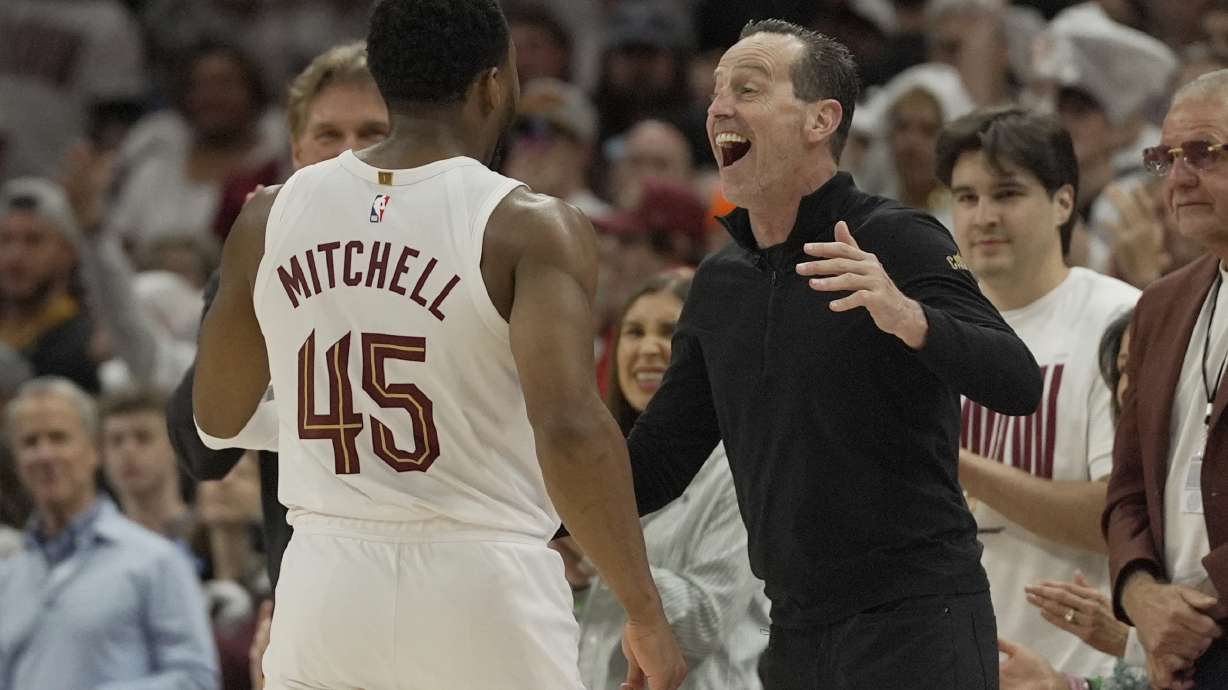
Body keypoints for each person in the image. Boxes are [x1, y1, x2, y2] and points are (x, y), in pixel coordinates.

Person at [191, 2, 686, 689]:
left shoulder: (267, 215)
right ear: (492, 85)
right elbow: (571, 429)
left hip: (324, 587)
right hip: (481, 579)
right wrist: (643, 610)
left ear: (386, 83)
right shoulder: (528, 226)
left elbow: (217, 418)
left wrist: (344, 428)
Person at [622, 19, 1042, 688]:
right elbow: (661, 459)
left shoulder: (898, 239)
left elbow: (1018, 381)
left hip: (917, 619)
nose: (721, 107)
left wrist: (908, 316)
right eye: (717, 92)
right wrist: (527, 505)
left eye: (749, 89)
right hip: (793, 630)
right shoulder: (720, 284)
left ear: (822, 119)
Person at [937, 106, 1140, 677]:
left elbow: (1115, 516)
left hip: (1077, 669)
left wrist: (953, 463)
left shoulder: (1120, 319)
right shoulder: (929, 327)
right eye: (967, 197)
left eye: (1006, 194)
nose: (983, 217)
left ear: (1063, 202)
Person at [575, 270, 769, 690]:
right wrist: (571, 577)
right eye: (633, 332)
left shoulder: (738, 466)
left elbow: (704, 621)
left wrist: (595, 548)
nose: (647, 348)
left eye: (669, 332)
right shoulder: (600, 470)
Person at [1104, 68, 1228, 690]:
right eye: (1167, 157)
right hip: (1180, 649)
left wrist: (1200, 608)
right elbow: (1127, 485)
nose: (1178, 178)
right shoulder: (1159, 305)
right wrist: (1142, 594)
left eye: (1203, 154)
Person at [0, 377, 217, 690]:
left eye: (59, 438)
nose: (45, 454)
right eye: (30, 442)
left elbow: (198, 680)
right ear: (17, 461)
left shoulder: (156, 560)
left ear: (93, 451)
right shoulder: (8, 576)